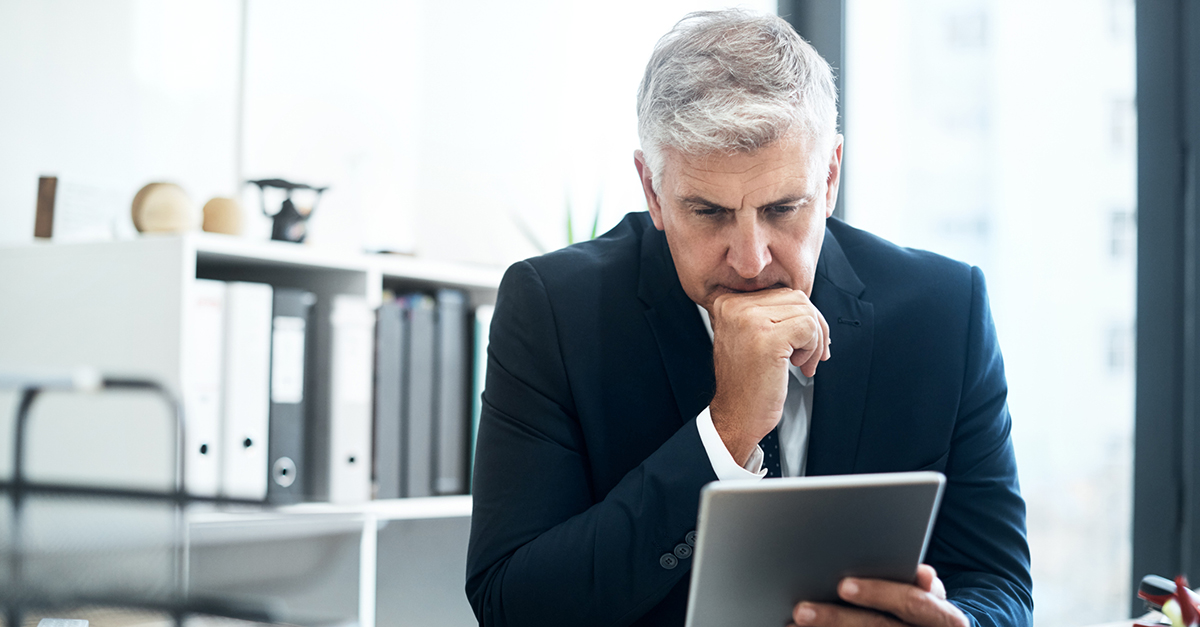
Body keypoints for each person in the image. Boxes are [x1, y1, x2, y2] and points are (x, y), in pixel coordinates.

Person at [466, 9, 1032, 627]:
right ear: (653, 191)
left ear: (831, 176)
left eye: (784, 208)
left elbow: (998, 583)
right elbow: (511, 605)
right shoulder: (553, 310)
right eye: (708, 212)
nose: (751, 259)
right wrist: (726, 434)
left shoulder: (945, 312)